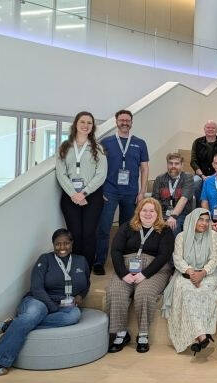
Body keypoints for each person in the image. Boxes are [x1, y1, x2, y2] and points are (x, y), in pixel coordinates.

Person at [0, 229, 89, 376]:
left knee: (73, 316)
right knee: (33, 314)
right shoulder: (45, 259)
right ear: (53, 245)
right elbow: (36, 288)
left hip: (66, 305)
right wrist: (52, 307)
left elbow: (86, 283)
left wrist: (81, 296)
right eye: (58, 244)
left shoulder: (81, 261)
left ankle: (12, 325)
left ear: (72, 243)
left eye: (66, 243)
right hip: (39, 300)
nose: (62, 247)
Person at [106, 198, 174, 353]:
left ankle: (143, 334)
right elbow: (116, 251)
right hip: (126, 269)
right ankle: (121, 334)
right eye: (144, 210)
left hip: (154, 270)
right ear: (139, 211)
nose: (148, 214)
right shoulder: (127, 227)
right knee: (115, 291)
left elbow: (164, 255)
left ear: (158, 213)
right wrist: (123, 274)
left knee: (144, 293)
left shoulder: (165, 230)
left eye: (152, 211)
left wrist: (144, 274)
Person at [93, 110, 150, 276]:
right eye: (121, 120)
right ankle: (99, 261)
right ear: (116, 122)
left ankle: (124, 261)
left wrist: (142, 192)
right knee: (104, 227)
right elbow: (98, 167)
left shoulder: (140, 143)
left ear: (131, 123)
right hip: (109, 191)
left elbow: (144, 168)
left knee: (127, 229)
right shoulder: (106, 142)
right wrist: (99, 190)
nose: (125, 122)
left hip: (131, 192)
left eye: (127, 120)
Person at [161, 208, 217, 355]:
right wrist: (191, 272)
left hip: (208, 274)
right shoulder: (181, 237)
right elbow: (177, 259)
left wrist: (203, 273)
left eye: (207, 220)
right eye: (201, 219)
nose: (204, 223)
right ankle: (202, 336)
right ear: (193, 220)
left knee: (203, 291)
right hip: (185, 274)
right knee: (186, 291)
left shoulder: (213, 236)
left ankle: (199, 336)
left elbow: (215, 259)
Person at [55, 111, 106, 266]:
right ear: (76, 124)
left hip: (92, 196)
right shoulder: (64, 147)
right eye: (82, 122)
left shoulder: (98, 148)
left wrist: (84, 193)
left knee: (89, 234)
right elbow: (61, 173)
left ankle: (86, 269)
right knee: (75, 234)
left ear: (93, 127)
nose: (85, 125)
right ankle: (75, 268)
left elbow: (101, 174)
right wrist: (74, 194)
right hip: (70, 197)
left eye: (89, 123)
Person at [151, 152, 195, 235]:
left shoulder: (187, 178)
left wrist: (173, 216)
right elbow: (155, 200)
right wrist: (157, 217)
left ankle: (173, 248)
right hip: (163, 213)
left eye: (176, 163)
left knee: (173, 226)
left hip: (181, 214)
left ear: (182, 165)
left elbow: (184, 198)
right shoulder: (160, 179)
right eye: (170, 163)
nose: (173, 166)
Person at [190, 120, 217, 192]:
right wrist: (202, 176)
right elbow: (193, 162)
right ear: (204, 129)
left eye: (213, 128)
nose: (210, 129)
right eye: (208, 127)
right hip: (200, 175)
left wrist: (214, 176)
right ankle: (199, 203)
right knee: (195, 182)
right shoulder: (197, 142)